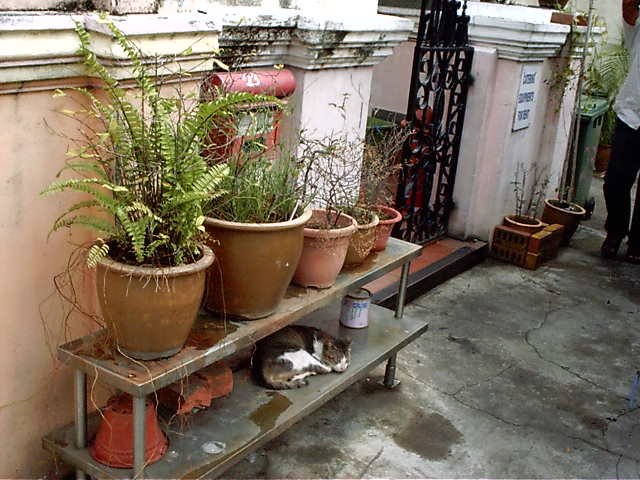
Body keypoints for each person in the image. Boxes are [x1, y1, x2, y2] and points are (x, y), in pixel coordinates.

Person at [601, 0, 640, 263]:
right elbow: (628, 6)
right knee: (615, 179)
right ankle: (615, 232)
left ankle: (637, 243)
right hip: (632, 112)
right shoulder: (637, 27)